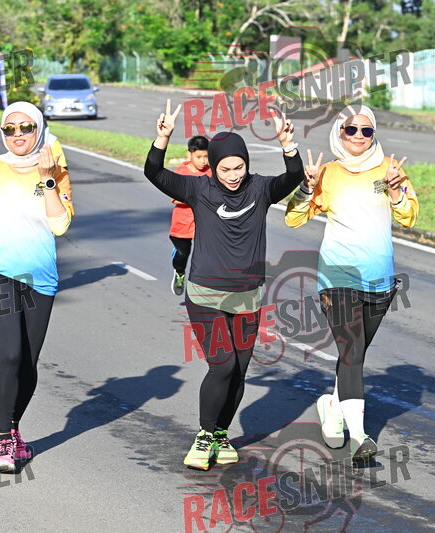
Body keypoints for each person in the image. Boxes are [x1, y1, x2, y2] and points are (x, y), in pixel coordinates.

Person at [144, 99, 303, 470]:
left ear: (247, 164)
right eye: (225, 168)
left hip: (248, 295)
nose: (232, 175)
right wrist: (162, 138)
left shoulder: (260, 189)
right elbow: (154, 172)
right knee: (223, 364)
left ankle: (220, 433)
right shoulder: (199, 189)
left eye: (239, 167)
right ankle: (204, 434)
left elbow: (293, 176)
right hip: (206, 294)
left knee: (240, 369)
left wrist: (287, 144)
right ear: (213, 167)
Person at [284, 105, 419, 463]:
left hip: (379, 278)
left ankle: (332, 405)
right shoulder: (327, 173)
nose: (358, 136)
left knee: (352, 354)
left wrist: (396, 191)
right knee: (353, 350)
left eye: (366, 130)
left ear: (374, 134)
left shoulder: (390, 170)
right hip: (338, 275)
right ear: (339, 132)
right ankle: (359, 436)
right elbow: (294, 219)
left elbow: (409, 217)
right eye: (351, 129)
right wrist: (306, 187)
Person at [0, 101, 74, 473]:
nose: (17, 134)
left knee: (28, 363)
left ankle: (14, 429)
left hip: (41, 278)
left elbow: (60, 225)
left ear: (38, 129)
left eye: (25, 127)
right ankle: (4, 439)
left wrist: (48, 179)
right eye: (9, 129)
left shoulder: (56, 170)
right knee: (10, 354)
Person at [168, 135, 210, 296]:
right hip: (182, 223)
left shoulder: (211, 172)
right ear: (189, 155)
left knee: (205, 256)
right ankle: (179, 273)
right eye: (199, 157)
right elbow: (175, 198)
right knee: (182, 254)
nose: (203, 161)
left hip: (205, 224)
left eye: (206, 157)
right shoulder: (181, 173)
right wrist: (196, 198)